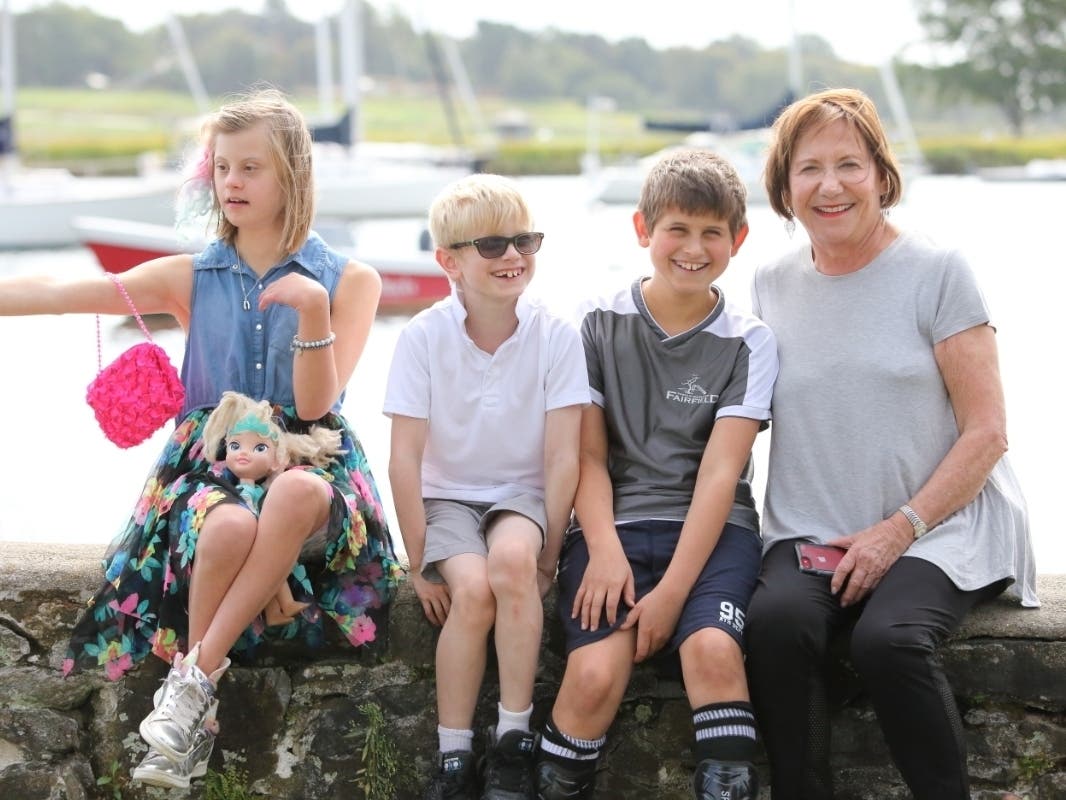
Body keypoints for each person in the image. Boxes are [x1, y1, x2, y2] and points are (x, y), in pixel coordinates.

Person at [0, 87, 400, 791]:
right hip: (213, 467)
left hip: (311, 463)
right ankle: (191, 702)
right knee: (221, 530)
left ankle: (185, 689)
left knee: (295, 492)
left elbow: (314, 407)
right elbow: (62, 291)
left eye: (252, 167)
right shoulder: (194, 274)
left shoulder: (350, 281)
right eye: (222, 168)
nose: (233, 183)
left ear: (293, 177)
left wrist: (311, 307)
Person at [745, 87, 1039, 800]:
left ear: (881, 173)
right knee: (774, 627)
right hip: (811, 526)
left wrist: (897, 530)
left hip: (939, 527)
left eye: (849, 164)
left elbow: (988, 432)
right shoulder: (770, 284)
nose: (831, 185)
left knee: (888, 640)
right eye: (809, 168)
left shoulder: (938, 272)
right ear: (786, 188)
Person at [533, 148, 778, 800]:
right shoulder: (593, 321)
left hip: (711, 531)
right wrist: (605, 548)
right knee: (592, 676)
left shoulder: (749, 341)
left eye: (711, 233)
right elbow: (585, 455)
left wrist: (671, 594)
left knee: (713, 653)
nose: (693, 248)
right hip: (610, 526)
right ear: (643, 230)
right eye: (677, 228)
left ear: (738, 240)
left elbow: (722, 473)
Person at [384, 173, 590, 800]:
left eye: (525, 240)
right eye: (493, 244)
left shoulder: (557, 335)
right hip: (448, 495)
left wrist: (551, 551)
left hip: (521, 496)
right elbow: (404, 460)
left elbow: (561, 457)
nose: (513, 256)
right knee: (470, 593)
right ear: (449, 261)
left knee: (512, 566)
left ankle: (512, 737)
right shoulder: (423, 336)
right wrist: (420, 563)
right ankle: (454, 753)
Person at [201, 390, 348, 627]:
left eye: (259, 448)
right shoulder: (242, 490)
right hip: (249, 533)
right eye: (236, 445)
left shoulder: (264, 490)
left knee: (268, 568)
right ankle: (278, 609)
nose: (244, 454)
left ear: (277, 460)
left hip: (258, 533)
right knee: (266, 568)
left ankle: (279, 609)